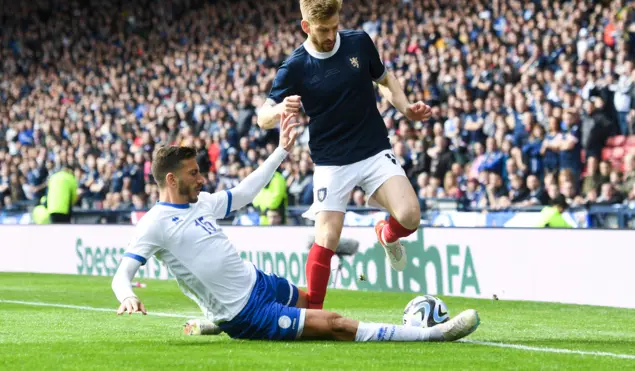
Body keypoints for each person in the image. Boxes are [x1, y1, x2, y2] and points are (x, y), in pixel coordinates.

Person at [111, 114, 480, 343]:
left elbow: (244, 192)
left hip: (259, 282)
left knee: (311, 301)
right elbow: (121, 275)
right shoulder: (154, 224)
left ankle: (214, 323)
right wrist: (127, 295)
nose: (202, 178)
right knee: (334, 324)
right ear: (171, 179)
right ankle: (432, 334)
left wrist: (282, 151)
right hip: (246, 314)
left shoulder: (202, 201)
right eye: (194, 173)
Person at [256, 0, 431, 309]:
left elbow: (385, 79)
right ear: (306, 26)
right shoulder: (295, 66)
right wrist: (279, 110)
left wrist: (405, 108)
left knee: (409, 216)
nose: (330, 35)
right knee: (327, 238)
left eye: (334, 26)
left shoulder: (359, 42)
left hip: (373, 148)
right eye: (323, 29)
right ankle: (314, 312)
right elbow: (261, 117)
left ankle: (387, 234)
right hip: (332, 161)